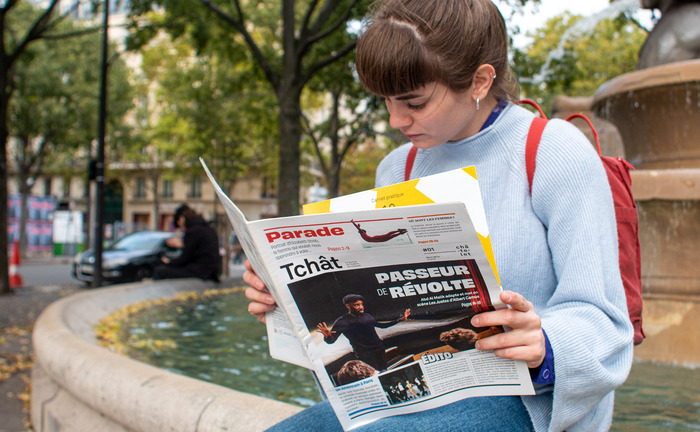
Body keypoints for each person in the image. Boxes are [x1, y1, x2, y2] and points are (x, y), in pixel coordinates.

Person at [244, 0, 633, 430]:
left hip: (523, 398)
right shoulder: (396, 168)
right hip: (409, 390)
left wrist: (545, 344)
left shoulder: (553, 150)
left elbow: (604, 320)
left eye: (414, 101)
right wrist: (284, 300)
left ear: (480, 80)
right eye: (386, 101)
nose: (396, 119)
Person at [316, 294, 411, 371]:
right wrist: (327, 336)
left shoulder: (367, 316)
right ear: (348, 306)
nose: (361, 307)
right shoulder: (342, 321)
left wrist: (400, 320)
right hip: (364, 354)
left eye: (361, 304)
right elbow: (331, 341)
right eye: (357, 305)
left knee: (384, 371)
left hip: (379, 350)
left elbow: (382, 325)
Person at [153, 204, 220, 282]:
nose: (182, 229)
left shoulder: (193, 231)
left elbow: (185, 258)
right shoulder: (207, 228)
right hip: (210, 271)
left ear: (181, 219)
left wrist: (169, 262)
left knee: (160, 271)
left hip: (201, 271)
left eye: (180, 226)